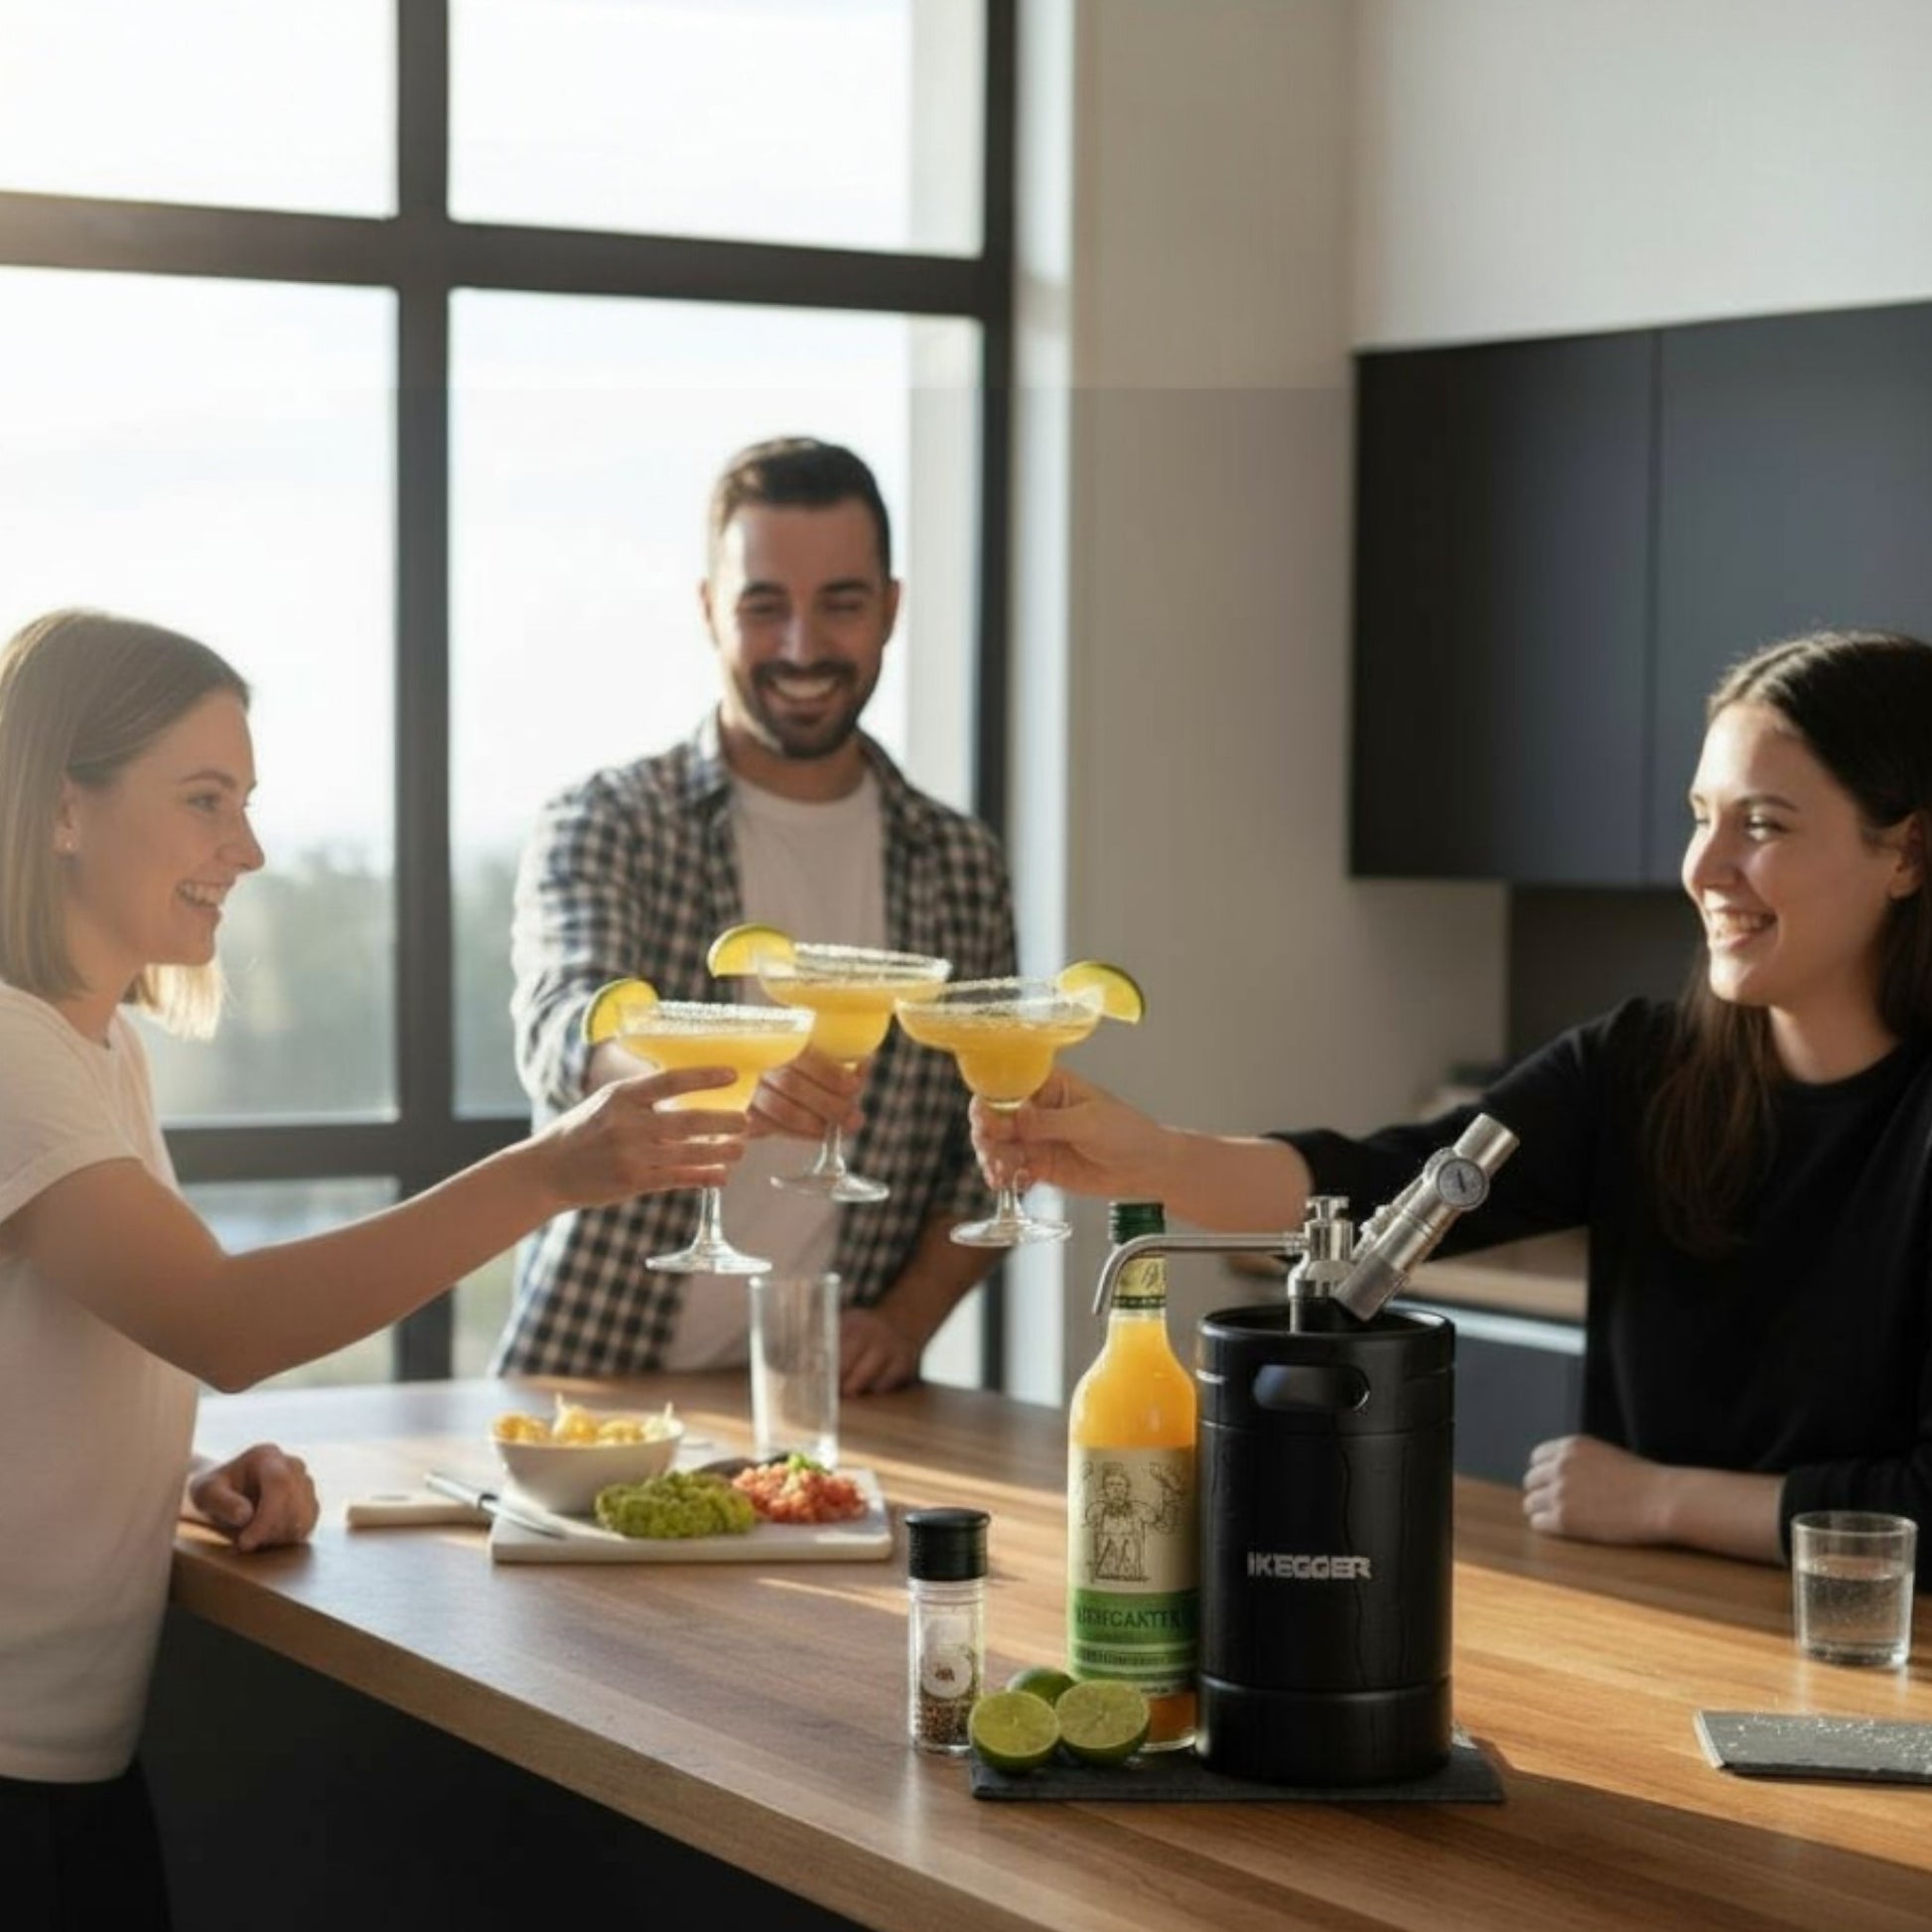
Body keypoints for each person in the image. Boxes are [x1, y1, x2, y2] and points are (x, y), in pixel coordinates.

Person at [0, 609, 750, 1929]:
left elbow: (72, 1349)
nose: (247, 847)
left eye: (243, 800)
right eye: (203, 799)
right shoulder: (10, 1052)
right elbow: (224, 1321)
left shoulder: (96, 1049)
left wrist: (173, 1472)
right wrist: (550, 1170)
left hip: (67, 1765)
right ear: (65, 808)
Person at [976, 628, 1932, 1582]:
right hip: (1651, 1617)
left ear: (1907, 852)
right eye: (1700, 816)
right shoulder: (1641, 1067)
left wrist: (1661, 1498)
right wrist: (1148, 1159)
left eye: (1762, 825)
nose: (1705, 867)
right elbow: (1381, 1186)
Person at [495, 436, 1017, 1393]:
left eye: (842, 604)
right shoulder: (609, 819)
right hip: (593, 1381)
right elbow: (566, 1024)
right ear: (708, 610)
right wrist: (713, 1076)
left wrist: (903, 1323)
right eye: (764, 605)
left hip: (831, 1402)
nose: (803, 647)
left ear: (891, 609)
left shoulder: (958, 864)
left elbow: (986, 1145)